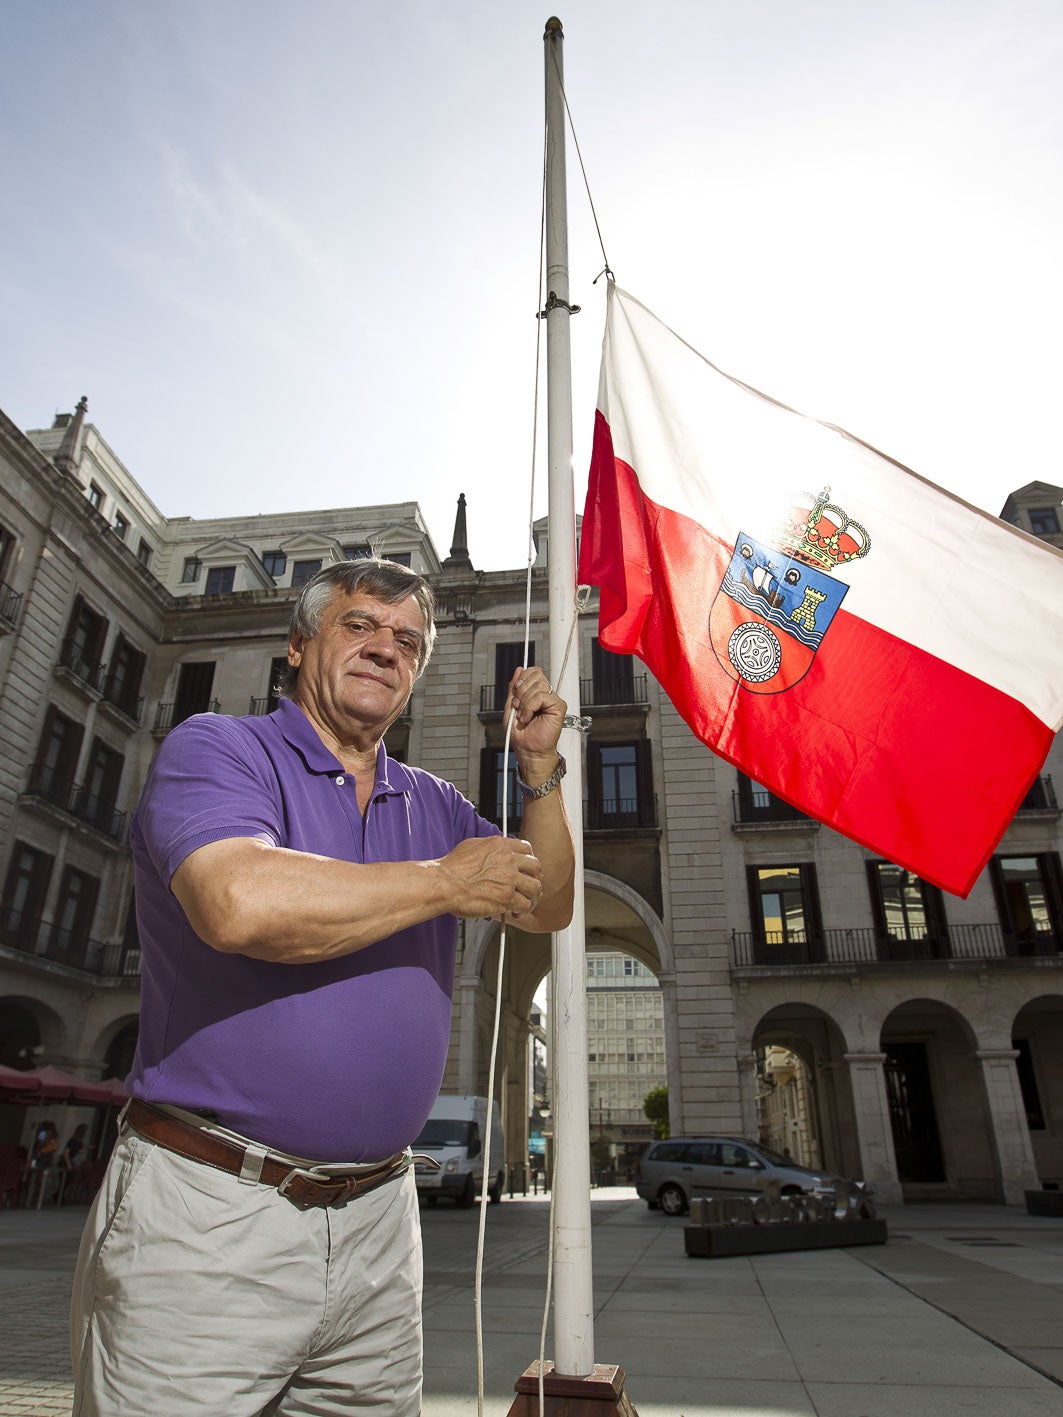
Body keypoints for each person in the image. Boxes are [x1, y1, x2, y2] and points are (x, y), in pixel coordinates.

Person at [70, 558, 574, 1417]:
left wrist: (537, 772)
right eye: (361, 625)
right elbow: (239, 903)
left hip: (380, 1221)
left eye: (408, 641)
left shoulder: (435, 801)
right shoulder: (219, 748)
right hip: (212, 1213)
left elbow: (550, 902)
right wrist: (445, 883)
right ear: (299, 644)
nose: (387, 647)